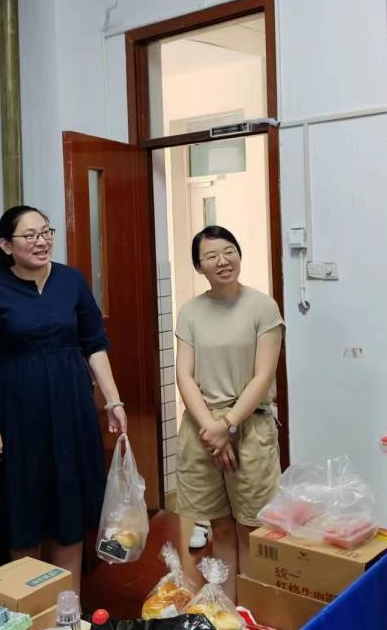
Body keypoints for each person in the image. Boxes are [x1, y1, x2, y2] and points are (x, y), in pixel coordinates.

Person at [0, 205, 127, 593]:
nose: (42, 241)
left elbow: (94, 345)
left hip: (71, 407)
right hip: (17, 414)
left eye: (46, 232)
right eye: (30, 235)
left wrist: (113, 401)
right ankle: (31, 608)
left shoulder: (71, 281)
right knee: (25, 511)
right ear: (6, 245)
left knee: (69, 512)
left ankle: (67, 610)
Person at [175, 225, 284, 601]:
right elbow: (184, 375)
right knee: (219, 526)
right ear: (198, 266)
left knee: (252, 528)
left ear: (238, 254)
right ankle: (227, 610)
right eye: (211, 256)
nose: (222, 261)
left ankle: (252, 611)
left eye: (229, 251)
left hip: (248, 426)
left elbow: (263, 375)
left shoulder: (262, 307)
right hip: (202, 428)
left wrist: (228, 425)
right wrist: (212, 428)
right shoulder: (190, 312)